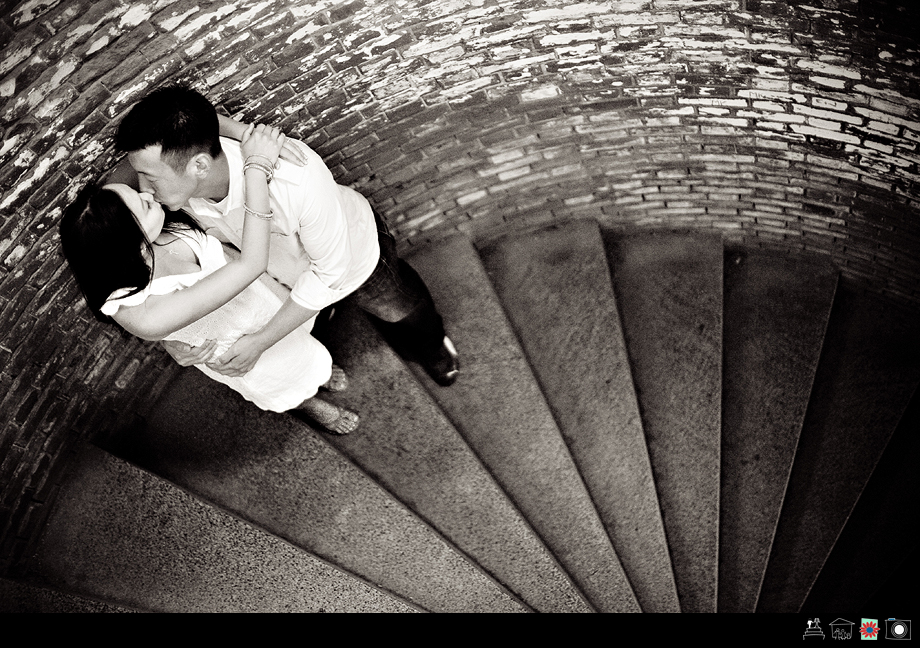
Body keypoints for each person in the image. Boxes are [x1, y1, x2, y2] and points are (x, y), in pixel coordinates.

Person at [113, 85, 460, 387]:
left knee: (398, 308)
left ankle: (433, 346)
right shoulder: (171, 191)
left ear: (200, 166)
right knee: (318, 315)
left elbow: (330, 275)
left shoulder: (293, 178)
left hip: (355, 258)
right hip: (285, 279)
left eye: (149, 177)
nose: (143, 190)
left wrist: (261, 341)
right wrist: (171, 338)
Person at [60, 124, 359, 435]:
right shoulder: (143, 314)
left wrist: (244, 132)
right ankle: (306, 403)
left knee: (303, 347)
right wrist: (257, 166)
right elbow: (251, 263)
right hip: (239, 349)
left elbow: (173, 130)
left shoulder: (128, 218)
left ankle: (320, 370)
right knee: (283, 379)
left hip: (262, 302)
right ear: (132, 245)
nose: (147, 192)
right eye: (144, 203)